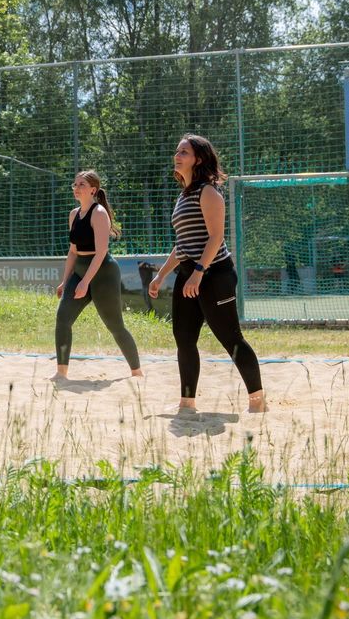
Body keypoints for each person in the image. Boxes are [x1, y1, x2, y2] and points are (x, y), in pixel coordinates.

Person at [148, 135, 266, 414]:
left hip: (214, 274)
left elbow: (215, 238)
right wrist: (161, 275)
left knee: (230, 338)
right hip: (190, 274)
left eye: (184, 152)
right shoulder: (183, 195)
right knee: (184, 338)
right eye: (177, 151)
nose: (177, 155)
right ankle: (187, 402)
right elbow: (183, 244)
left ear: (198, 159)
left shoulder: (208, 191)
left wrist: (199, 272)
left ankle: (258, 400)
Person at [53, 170, 143, 380]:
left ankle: (137, 372)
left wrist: (86, 282)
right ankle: (61, 372)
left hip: (103, 272)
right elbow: (73, 251)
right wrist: (65, 281)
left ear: (93, 190)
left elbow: (101, 252)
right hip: (80, 270)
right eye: (74, 184)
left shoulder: (99, 212)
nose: (76, 188)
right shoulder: (74, 214)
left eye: (81, 184)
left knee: (115, 326)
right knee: (62, 318)